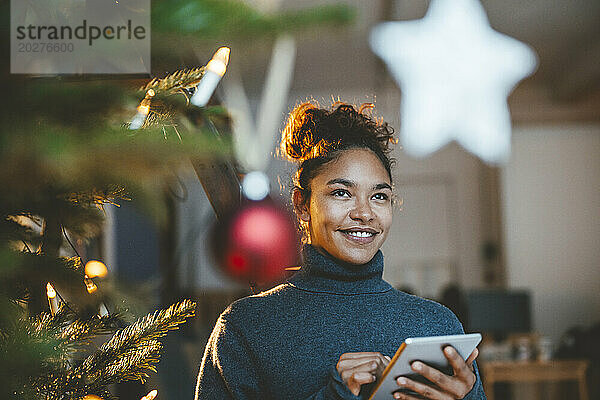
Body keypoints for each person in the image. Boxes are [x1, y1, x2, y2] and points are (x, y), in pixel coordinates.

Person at [195, 101, 486, 399]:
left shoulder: (436, 324)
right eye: (341, 192)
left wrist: (469, 397)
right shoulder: (247, 326)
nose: (364, 213)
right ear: (302, 205)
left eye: (379, 196)